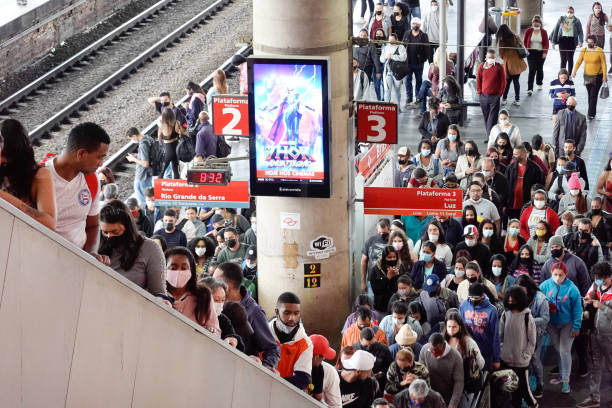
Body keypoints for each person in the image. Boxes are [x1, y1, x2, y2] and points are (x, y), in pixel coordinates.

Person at [47, 122, 109, 261]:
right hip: (43, 257)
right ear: (81, 153)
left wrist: (92, 253)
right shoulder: (40, 176)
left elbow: (93, 225)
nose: (101, 163)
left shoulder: (92, 181)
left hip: (77, 263)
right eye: (99, 157)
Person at [213, 262, 280, 369]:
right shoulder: (214, 304)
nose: (212, 285)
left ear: (227, 287)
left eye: (215, 281)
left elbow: (272, 348)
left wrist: (263, 367)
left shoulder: (253, 312)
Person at [98, 200, 166, 297]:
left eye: (115, 232)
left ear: (127, 227)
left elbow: (158, 292)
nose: (109, 236)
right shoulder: (96, 245)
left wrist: (162, 299)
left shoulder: (150, 248)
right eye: (105, 232)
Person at [0, 119, 55, 230]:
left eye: (6, 158)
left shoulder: (39, 175)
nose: (3, 162)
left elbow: (50, 223)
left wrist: (6, 198)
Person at [539, 262, 583, 394]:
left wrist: (576, 326)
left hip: (567, 323)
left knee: (564, 351)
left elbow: (577, 309)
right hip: (552, 324)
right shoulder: (545, 285)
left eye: (561, 275)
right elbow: (538, 300)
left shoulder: (572, 288)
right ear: (551, 274)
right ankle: (561, 374)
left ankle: (565, 381)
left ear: (566, 275)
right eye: (555, 274)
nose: (558, 277)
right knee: (559, 350)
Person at [165, 247, 220, 337]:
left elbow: (216, 331)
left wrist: (209, 332)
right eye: (173, 268)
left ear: (191, 270)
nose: (179, 272)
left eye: (184, 268)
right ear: (164, 269)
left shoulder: (203, 295)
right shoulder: (159, 294)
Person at [578, 262, 612, 408]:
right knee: (595, 367)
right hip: (594, 333)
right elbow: (587, 297)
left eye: (601, 278)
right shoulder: (595, 285)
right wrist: (587, 301)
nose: (598, 280)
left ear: (609, 276)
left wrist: (602, 307)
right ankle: (594, 398)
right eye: (596, 277)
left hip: (609, 337)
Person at [268, 292, 313, 391]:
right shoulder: (263, 334)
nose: (292, 318)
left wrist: (275, 381)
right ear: (277, 312)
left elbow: (302, 380)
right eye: (287, 313)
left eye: (296, 313)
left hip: (287, 395)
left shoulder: (305, 343)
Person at [515, 274, 549, 399]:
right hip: (521, 332)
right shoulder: (517, 295)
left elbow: (545, 319)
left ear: (528, 288)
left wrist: (529, 320)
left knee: (534, 358)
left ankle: (540, 385)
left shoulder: (541, 299)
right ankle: (524, 385)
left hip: (536, 332)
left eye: (522, 290)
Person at [443, 309, 485, 402]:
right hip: (447, 385)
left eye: (454, 327)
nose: (451, 330)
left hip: (464, 386)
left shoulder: (468, 342)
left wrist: (476, 355)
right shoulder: (442, 342)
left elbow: (481, 365)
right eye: (449, 326)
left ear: (460, 327)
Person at [460, 282, 501, 371]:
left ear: (482, 296)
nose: (473, 300)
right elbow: (461, 328)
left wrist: (496, 359)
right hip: (469, 351)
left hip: (485, 353)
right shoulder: (463, 306)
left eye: (476, 298)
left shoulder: (492, 310)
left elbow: (495, 336)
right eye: (471, 298)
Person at [418, 333, 464, 408]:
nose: (434, 353)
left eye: (437, 351)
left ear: (444, 345)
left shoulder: (455, 356)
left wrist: (452, 404)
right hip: (429, 396)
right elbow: (420, 373)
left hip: (448, 397)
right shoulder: (425, 350)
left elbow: (459, 382)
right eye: (431, 351)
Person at [199, 277, 241, 349]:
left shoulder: (222, 319)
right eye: (216, 300)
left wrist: (232, 340)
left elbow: (233, 337)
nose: (220, 304)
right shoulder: (189, 315)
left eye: (222, 300)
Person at [573, 34, 608, 120]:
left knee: (593, 95)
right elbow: (579, 61)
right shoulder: (584, 50)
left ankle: (590, 114)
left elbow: (604, 64)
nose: (589, 44)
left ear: (595, 43)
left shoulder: (600, 51)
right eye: (588, 42)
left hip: (598, 76)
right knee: (590, 95)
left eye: (591, 43)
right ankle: (592, 112)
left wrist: (605, 75)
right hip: (587, 76)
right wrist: (574, 71)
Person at [506, 144, 544, 219]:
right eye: (513, 154)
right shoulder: (510, 168)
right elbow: (506, 185)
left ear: (523, 154)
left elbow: (540, 185)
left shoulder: (535, 169)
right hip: (513, 204)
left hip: (528, 203)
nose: (514, 156)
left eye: (516, 154)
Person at [402, 17, 432, 109]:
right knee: (408, 81)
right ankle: (409, 98)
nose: (415, 25)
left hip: (419, 63)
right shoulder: (407, 34)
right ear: (411, 24)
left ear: (420, 25)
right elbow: (403, 46)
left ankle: (418, 98)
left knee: (419, 80)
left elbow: (427, 50)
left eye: (417, 24)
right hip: (408, 62)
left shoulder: (424, 36)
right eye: (414, 24)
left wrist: (426, 60)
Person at [354, 327, 393, 394]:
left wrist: (383, 373)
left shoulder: (383, 349)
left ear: (375, 337)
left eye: (371, 345)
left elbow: (390, 366)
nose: (369, 347)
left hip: (380, 384)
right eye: (366, 346)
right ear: (360, 340)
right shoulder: (354, 350)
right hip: (359, 385)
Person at [477, 48, 506, 135]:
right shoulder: (481, 67)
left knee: (492, 119)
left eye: (493, 57)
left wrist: (499, 94)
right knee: (486, 117)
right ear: (486, 57)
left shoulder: (499, 67)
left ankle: (491, 136)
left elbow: (503, 81)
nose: (491, 59)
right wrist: (479, 93)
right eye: (489, 57)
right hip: (483, 97)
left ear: (495, 58)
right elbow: (478, 80)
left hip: (494, 97)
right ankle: (490, 136)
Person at [415, 50, 454, 116]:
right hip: (446, 89)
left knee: (424, 89)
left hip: (436, 92)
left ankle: (421, 105)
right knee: (425, 83)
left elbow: (429, 77)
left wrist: (432, 87)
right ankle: (419, 98)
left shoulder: (433, 65)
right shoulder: (451, 64)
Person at [497, 24, 527, 106]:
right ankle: (517, 100)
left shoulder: (502, 41)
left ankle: (504, 99)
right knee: (516, 82)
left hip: (508, 64)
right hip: (517, 62)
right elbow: (522, 45)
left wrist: (506, 57)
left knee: (507, 82)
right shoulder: (515, 37)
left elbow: (501, 54)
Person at [309, 334, 341, 407]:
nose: (323, 359)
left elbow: (335, 405)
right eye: (323, 357)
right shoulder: (298, 369)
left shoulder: (325, 371)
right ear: (316, 357)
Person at [551, 6, 584, 74]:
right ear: (566, 12)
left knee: (570, 58)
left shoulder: (577, 21)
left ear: (573, 12)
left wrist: (581, 41)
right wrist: (553, 42)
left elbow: (580, 31)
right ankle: (562, 74)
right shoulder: (561, 19)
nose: (569, 13)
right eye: (568, 12)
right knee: (563, 59)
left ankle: (569, 75)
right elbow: (556, 30)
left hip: (572, 40)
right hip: (562, 40)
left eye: (571, 12)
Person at [361, 218, 392, 292]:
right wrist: (363, 282)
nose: (381, 235)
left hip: (390, 281)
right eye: (379, 232)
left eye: (384, 233)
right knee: (372, 302)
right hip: (372, 281)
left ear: (389, 230)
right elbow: (363, 261)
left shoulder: (394, 241)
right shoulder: (371, 241)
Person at [370, 245, 402, 313]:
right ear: (384, 258)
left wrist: (396, 277)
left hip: (397, 306)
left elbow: (400, 287)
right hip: (381, 306)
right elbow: (376, 289)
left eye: (394, 257)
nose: (392, 259)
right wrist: (387, 278)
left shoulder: (400, 267)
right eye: (389, 257)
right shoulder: (376, 269)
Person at [523, 15, 549, 95]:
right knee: (532, 70)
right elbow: (524, 41)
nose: (536, 25)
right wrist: (526, 50)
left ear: (540, 24)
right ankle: (530, 88)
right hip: (531, 53)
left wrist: (545, 53)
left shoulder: (544, 32)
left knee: (539, 69)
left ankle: (539, 83)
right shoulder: (528, 30)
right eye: (534, 23)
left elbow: (546, 43)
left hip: (541, 52)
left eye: (537, 24)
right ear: (532, 23)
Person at [381, 33, 407, 107]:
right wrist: (386, 57)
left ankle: (397, 107)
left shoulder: (401, 47)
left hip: (397, 72)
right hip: (388, 71)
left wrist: (392, 56)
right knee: (387, 90)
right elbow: (381, 59)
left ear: (396, 40)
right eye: (389, 40)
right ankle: (387, 107)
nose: (390, 42)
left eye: (392, 40)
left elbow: (403, 57)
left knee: (397, 90)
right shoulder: (386, 48)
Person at [371, 28, 387, 101]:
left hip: (385, 67)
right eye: (377, 34)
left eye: (380, 34)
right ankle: (379, 99)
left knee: (385, 85)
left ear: (383, 35)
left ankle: (384, 99)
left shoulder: (386, 44)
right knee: (377, 85)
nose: (379, 35)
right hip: (376, 68)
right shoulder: (372, 45)